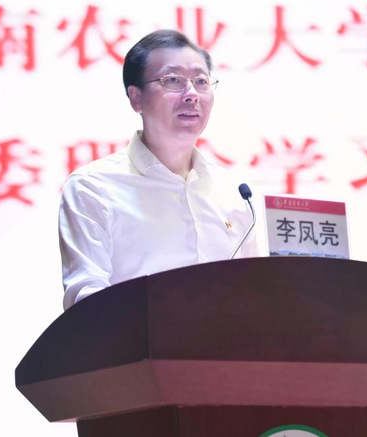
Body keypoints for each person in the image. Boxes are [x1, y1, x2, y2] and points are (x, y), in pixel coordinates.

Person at [59, 30, 260, 310]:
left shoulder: (234, 192)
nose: (192, 94)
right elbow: (86, 300)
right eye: (173, 80)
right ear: (136, 98)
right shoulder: (93, 188)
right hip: (134, 339)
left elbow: (255, 293)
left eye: (201, 81)